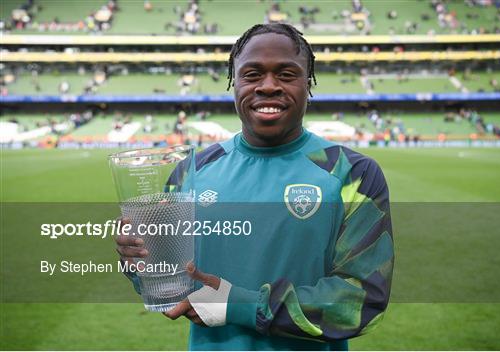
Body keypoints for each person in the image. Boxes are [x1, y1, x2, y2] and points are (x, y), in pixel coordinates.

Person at [115, 23, 393, 350]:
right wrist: (136, 260)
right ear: (234, 83)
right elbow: (169, 280)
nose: (269, 86)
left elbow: (362, 300)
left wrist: (242, 305)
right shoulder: (191, 172)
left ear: (309, 83)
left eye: (287, 74)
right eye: (252, 74)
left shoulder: (351, 173)